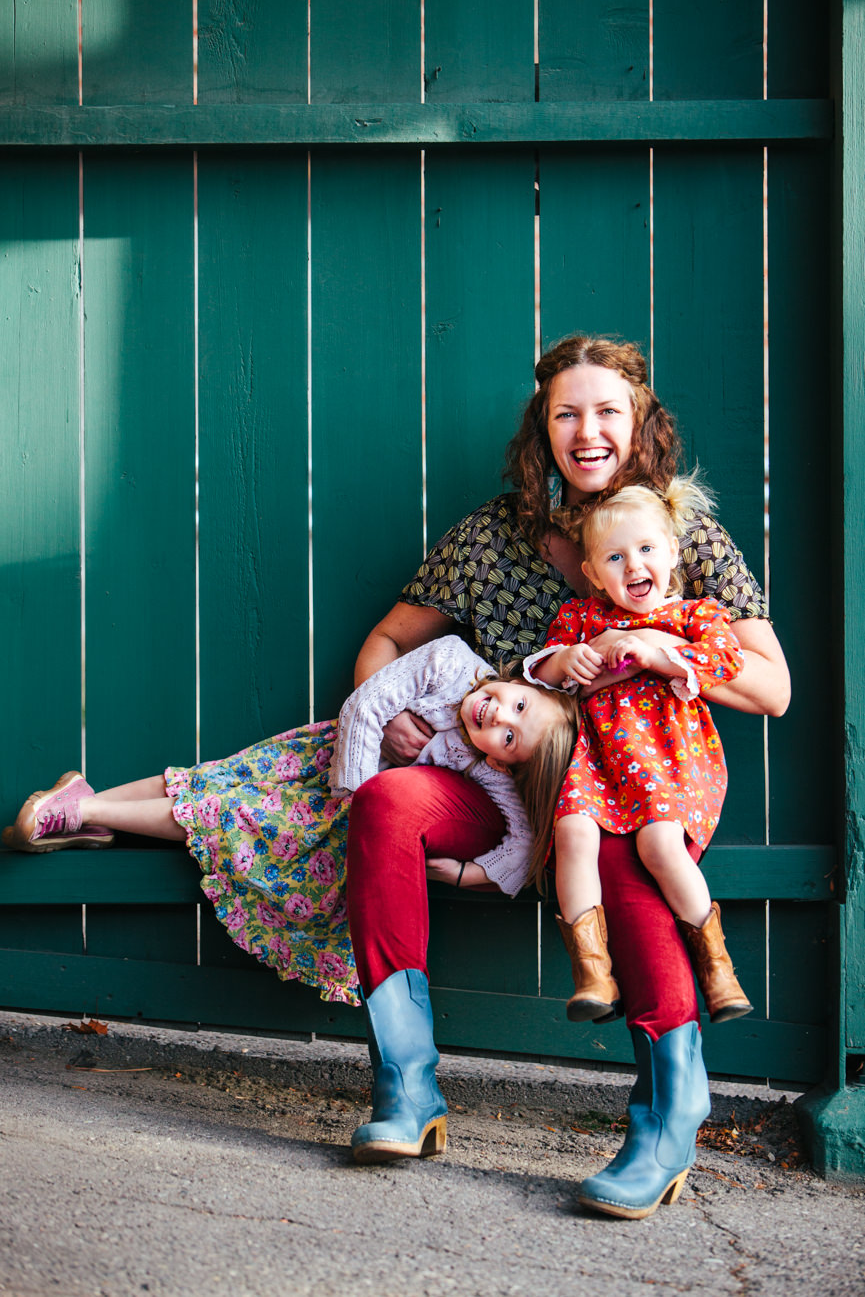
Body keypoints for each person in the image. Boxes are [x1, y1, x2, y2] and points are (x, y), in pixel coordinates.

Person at [345, 333, 790, 1219]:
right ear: (541, 430)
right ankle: (406, 1086)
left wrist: (659, 651)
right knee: (387, 801)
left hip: (641, 779)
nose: (587, 431)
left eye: (607, 411)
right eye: (566, 414)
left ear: (639, 424)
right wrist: (380, 700)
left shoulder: (677, 531)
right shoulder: (491, 535)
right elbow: (390, 640)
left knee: (626, 858)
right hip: (507, 783)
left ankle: (670, 1113)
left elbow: (772, 685)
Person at [3, 635, 579, 1015]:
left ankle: (84, 810)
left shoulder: (491, 767)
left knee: (226, 813)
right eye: (518, 706)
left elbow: (524, 841)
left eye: (509, 738)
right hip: (327, 763)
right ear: (526, 682)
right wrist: (355, 795)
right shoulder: (451, 662)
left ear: (505, 760)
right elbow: (367, 706)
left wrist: (469, 874)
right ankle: (87, 807)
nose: (500, 718)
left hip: (339, 811)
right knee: (211, 785)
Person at [524, 475, 753, 1028]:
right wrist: (566, 663)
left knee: (658, 845)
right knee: (572, 832)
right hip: (598, 761)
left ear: (672, 551)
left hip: (670, 759)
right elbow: (543, 670)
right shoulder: (583, 619)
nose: (633, 566)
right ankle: (592, 970)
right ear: (593, 573)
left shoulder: (695, 617)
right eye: (615, 557)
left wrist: (658, 654)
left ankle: (718, 969)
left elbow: (726, 663)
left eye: (647, 549)